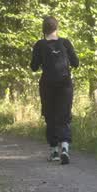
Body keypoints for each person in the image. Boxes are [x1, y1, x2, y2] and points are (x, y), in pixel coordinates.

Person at [30, 15, 79, 164]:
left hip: (47, 84)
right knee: (64, 116)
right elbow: (76, 63)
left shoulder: (40, 44)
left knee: (50, 116)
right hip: (65, 84)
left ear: (43, 30)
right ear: (57, 28)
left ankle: (54, 151)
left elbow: (33, 67)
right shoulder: (65, 42)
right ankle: (65, 148)